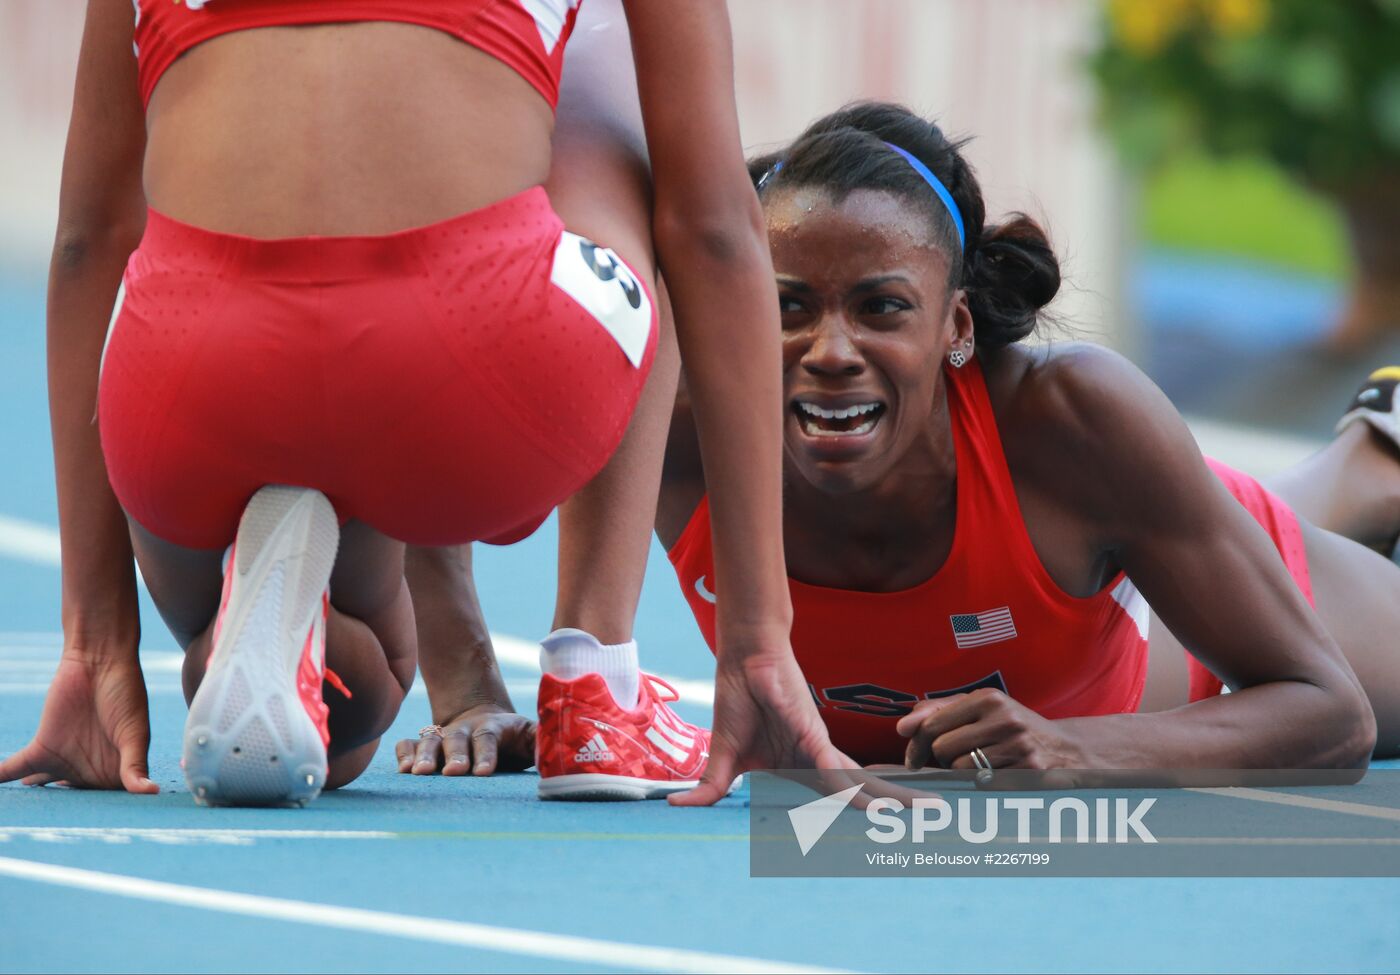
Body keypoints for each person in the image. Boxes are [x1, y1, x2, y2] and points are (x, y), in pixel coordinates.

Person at [0, 0, 842, 807]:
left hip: (188, 375)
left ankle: (271, 637)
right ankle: (596, 675)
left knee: (348, 719)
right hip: (470, 359)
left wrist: (93, 645)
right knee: (608, 57)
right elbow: (710, 226)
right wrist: (758, 644)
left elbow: (89, 238)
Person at [420, 102, 1400, 776]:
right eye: (787, 307)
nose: (829, 352)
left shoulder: (1075, 425)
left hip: (1181, 643)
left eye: (881, 308)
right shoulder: (673, 431)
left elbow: (1327, 714)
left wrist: (1075, 749)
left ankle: (1371, 461)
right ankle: (1367, 457)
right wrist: (468, 689)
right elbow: (425, 425)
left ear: (956, 328)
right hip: (1139, 543)